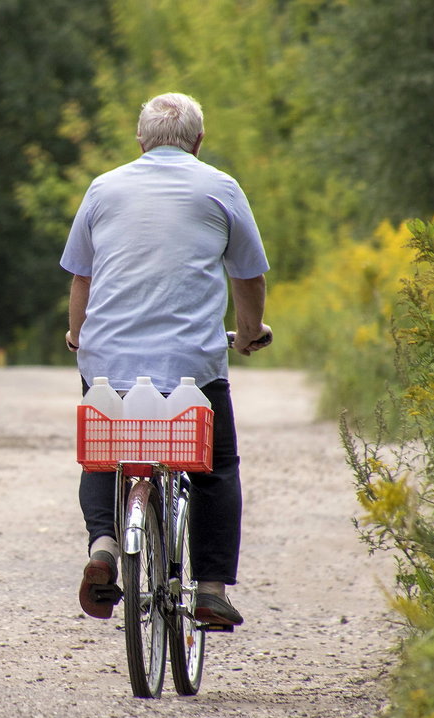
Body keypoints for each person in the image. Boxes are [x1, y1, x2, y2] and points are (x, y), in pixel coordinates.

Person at [60, 92, 272, 627]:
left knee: (103, 453)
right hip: (190, 366)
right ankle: (210, 588)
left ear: (140, 141)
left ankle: (105, 546)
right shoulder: (219, 187)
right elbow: (247, 275)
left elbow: (82, 275)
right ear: (199, 142)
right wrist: (249, 333)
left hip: (109, 360)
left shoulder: (103, 188)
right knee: (216, 468)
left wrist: (77, 334)